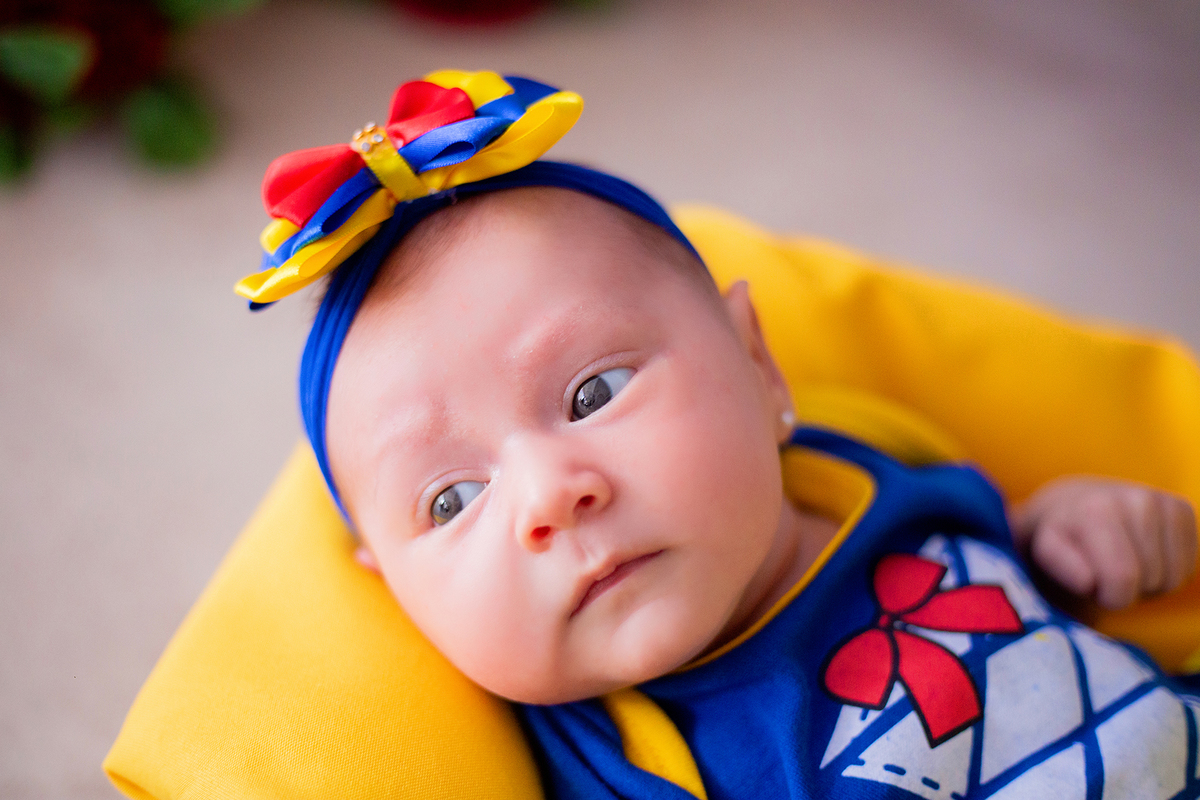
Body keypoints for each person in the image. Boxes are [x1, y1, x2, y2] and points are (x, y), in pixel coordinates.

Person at [239, 70, 1200, 799]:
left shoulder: (866, 462)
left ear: (757, 364)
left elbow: (1001, 548)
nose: (547, 496)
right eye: (451, 500)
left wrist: (1069, 533)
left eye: (592, 393)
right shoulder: (617, 760)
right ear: (395, 592)